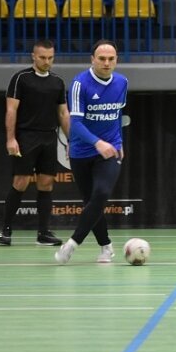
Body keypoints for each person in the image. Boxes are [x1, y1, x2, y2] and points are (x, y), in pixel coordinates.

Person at [54, 40, 127, 265]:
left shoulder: (122, 82)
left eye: (111, 59)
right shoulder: (79, 84)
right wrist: (97, 143)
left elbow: (116, 116)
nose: (107, 63)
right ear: (92, 59)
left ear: (116, 60)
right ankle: (106, 247)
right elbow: (75, 123)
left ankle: (73, 244)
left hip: (110, 150)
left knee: (102, 194)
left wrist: (118, 142)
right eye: (102, 58)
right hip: (82, 152)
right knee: (91, 202)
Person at [0, 39, 70, 246]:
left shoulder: (57, 82)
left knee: (46, 184)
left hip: (49, 137)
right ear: (33, 56)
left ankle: (43, 233)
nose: (47, 61)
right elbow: (11, 110)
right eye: (42, 57)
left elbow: (63, 113)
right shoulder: (21, 78)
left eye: (50, 58)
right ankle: (6, 230)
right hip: (26, 136)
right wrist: (11, 138)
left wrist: (71, 140)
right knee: (20, 182)